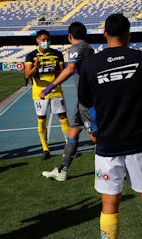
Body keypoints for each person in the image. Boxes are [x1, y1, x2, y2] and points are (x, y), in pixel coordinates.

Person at [78, 13, 142, 239]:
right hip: (139, 140)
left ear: (104, 34)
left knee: (109, 204)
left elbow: (86, 100)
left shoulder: (90, 64)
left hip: (107, 142)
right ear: (128, 34)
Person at [41, 22, 96, 181]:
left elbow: (71, 69)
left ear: (70, 36)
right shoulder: (88, 48)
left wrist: (50, 86)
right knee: (73, 131)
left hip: (87, 100)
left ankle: (121, 164)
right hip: (83, 99)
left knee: (95, 135)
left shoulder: (77, 48)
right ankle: (62, 170)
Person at [24, 29, 69, 161]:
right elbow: (27, 75)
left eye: (48, 39)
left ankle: (68, 146)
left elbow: (62, 73)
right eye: (43, 40)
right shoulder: (31, 56)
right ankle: (45, 149)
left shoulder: (57, 54)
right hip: (39, 94)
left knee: (63, 117)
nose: (46, 42)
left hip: (55, 91)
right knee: (41, 119)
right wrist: (35, 68)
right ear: (37, 40)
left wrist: (56, 71)